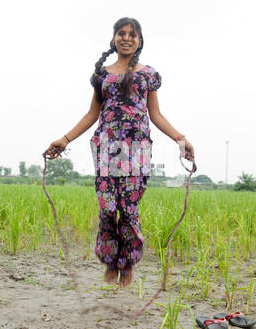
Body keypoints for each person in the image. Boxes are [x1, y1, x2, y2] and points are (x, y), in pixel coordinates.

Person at [45, 17, 195, 288]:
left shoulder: (148, 74)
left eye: (132, 34)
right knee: (107, 208)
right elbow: (92, 113)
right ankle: (110, 259)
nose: (127, 38)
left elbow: (156, 115)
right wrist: (64, 140)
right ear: (114, 38)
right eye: (121, 33)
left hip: (137, 149)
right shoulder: (102, 75)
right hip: (107, 149)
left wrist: (181, 139)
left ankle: (127, 263)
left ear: (139, 41)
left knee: (128, 210)